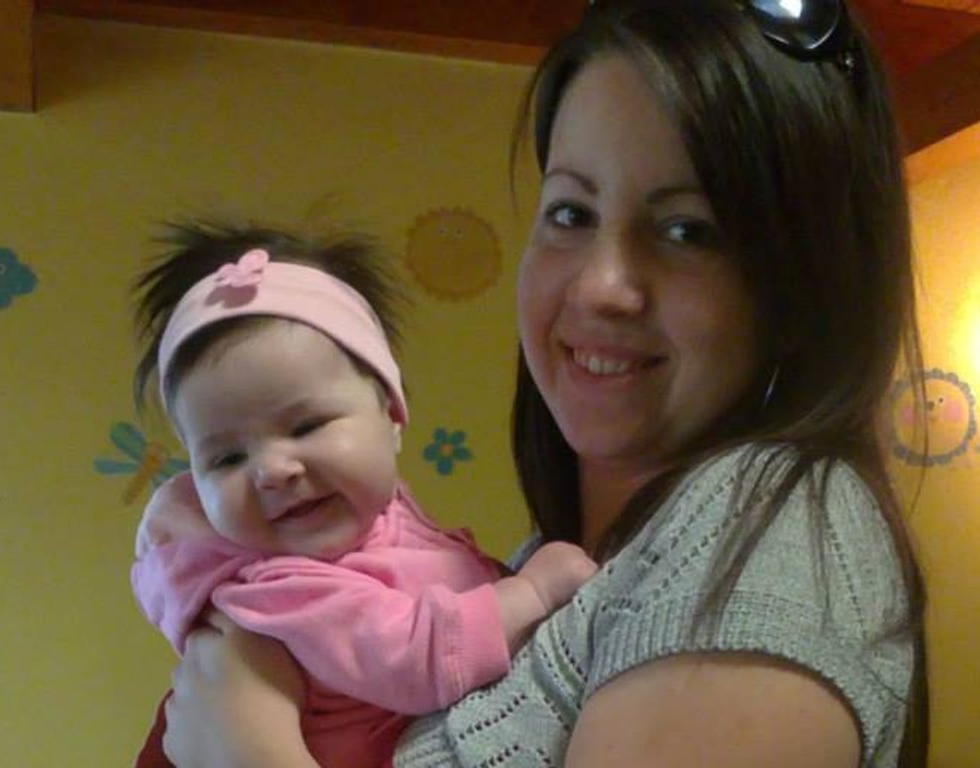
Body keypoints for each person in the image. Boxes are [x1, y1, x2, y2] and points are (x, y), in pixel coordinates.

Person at [153, 0, 930, 766]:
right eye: (571, 213)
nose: (600, 287)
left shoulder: (772, 540)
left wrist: (246, 754)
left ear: (802, 285)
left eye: (687, 230)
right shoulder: (554, 564)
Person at [129, 222, 599, 768]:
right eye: (227, 458)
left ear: (391, 414)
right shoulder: (278, 589)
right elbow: (416, 658)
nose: (272, 470)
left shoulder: (378, 517)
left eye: (306, 425)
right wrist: (533, 592)